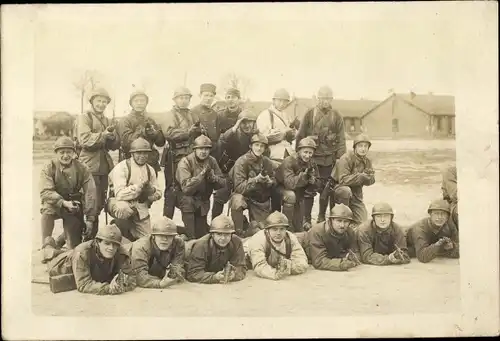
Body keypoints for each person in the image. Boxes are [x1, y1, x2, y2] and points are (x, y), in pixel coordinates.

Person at [39, 136, 97, 263]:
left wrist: (90, 219)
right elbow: (45, 192)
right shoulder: (48, 167)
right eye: (62, 152)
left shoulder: (82, 168)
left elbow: (90, 193)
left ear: (74, 153)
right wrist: (63, 202)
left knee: (73, 251)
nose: (65, 155)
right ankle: (46, 245)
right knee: (46, 211)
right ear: (56, 153)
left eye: (69, 152)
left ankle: (59, 242)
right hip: (55, 203)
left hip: (73, 205)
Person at [296, 86, 347, 224]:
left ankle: (321, 217)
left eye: (328, 98)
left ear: (331, 99)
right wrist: (299, 157)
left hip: (330, 159)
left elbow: (342, 139)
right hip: (311, 158)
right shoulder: (310, 114)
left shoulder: (336, 116)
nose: (325, 101)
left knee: (328, 189)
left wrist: (340, 160)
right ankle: (306, 219)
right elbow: (300, 135)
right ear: (318, 98)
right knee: (309, 188)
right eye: (323, 98)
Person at [77, 87, 120, 239]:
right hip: (88, 165)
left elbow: (113, 146)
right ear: (92, 102)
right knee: (90, 205)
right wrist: (103, 135)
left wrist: (114, 135)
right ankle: (85, 240)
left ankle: (91, 238)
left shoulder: (107, 120)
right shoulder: (85, 117)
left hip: (103, 167)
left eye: (104, 101)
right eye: (98, 101)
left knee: (100, 203)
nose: (101, 104)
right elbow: (85, 140)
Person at [47, 224, 136, 295]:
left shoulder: (121, 252)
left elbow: (132, 277)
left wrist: (123, 284)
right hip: (61, 266)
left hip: (82, 260)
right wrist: (108, 288)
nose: (111, 248)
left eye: (115, 244)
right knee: (51, 254)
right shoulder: (82, 252)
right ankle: (48, 245)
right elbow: (83, 285)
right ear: (98, 242)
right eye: (107, 243)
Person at [160, 86, 205, 218]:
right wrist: (187, 132)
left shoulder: (192, 115)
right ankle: (166, 222)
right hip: (175, 156)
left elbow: (200, 131)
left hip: (191, 156)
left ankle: (193, 225)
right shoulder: (170, 115)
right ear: (175, 99)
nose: (184, 101)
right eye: (181, 98)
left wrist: (200, 131)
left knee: (191, 188)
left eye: (186, 98)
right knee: (172, 190)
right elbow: (169, 133)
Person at [107, 137, 162, 241]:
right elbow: (120, 194)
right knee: (124, 211)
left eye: (145, 153)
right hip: (120, 203)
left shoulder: (150, 170)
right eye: (138, 153)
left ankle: (132, 233)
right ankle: (119, 229)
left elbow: (159, 192)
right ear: (132, 154)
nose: (142, 156)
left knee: (147, 239)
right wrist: (138, 188)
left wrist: (151, 192)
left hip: (140, 205)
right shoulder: (122, 167)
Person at [176, 135, 227, 240]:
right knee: (192, 236)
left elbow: (222, 183)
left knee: (202, 234)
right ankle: (189, 235)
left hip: (203, 201)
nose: (203, 152)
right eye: (200, 148)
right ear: (194, 149)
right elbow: (186, 188)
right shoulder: (185, 162)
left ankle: (179, 230)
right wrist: (201, 176)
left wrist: (214, 178)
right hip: (186, 199)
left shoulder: (212, 161)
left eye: (206, 149)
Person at [256, 88, 297, 213]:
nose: (282, 104)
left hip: (287, 154)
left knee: (287, 185)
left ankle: (286, 217)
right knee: (273, 185)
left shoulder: (286, 115)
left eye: (285, 101)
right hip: (273, 154)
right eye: (279, 101)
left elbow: (289, 138)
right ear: (273, 100)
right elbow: (262, 137)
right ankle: (274, 214)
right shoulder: (265, 114)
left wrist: (292, 134)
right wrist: (283, 133)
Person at [212, 108, 259, 218]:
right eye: (243, 122)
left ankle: (249, 223)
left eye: (250, 122)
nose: (247, 125)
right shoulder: (232, 134)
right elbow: (221, 142)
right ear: (238, 123)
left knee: (251, 196)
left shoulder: (256, 136)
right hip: (228, 171)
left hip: (246, 173)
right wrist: (233, 129)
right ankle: (215, 222)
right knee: (220, 194)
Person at [230, 133, 276, 237]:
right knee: (237, 200)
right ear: (251, 146)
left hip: (259, 199)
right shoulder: (241, 162)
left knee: (262, 232)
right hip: (245, 195)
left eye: (262, 146)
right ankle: (238, 232)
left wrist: (269, 182)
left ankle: (248, 225)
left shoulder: (267, 162)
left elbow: (274, 180)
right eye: (257, 145)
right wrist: (255, 179)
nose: (259, 148)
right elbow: (239, 188)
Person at [244, 212, 308, 280]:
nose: (278, 233)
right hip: (246, 254)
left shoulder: (290, 238)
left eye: (282, 229)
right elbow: (259, 266)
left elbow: (302, 261)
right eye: (274, 229)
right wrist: (275, 273)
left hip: (271, 261)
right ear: (267, 230)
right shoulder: (258, 240)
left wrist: (287, 266)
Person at [297, 204, 361, 272]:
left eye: (346, 221)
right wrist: (341, 263)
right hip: (296, 245)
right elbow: (319, 262)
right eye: (339, 221)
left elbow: (355, 252)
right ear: (331, 220)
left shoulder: (350, 232)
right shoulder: (318, 232)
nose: (342, 225)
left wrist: (352, 258)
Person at [116, 90, 166, 175]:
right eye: (136, 101)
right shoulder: (125, 121)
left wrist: (155, 134)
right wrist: (142, 131)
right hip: (131, 161)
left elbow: (161, 143)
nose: (139, 103)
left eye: (142, 101)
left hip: (150, 162)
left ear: (146, 103)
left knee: (151, 187)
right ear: (131, 103)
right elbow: (126, 142)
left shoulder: (150, 120)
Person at [186, 215, 247, 284]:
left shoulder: (236, 242)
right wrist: (214, 277)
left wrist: (234, 275)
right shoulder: (201, 245)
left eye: (227, 234)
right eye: (219, 234)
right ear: (212, 235)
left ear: (231, 234)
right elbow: (193, 274)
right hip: (188, 256)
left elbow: (241, 267)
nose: (223, 238)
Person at [275, 137, 319, 232]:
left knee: (299, 228)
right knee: (291, 196)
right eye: (305, 152)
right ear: (299, 151)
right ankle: (286, 225)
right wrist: (304, 177)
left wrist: (313, 181)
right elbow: (289, 183)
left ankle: (295, 223)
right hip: (279, 188)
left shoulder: (311, 162)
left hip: (298, 191)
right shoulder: (289, 161)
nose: (307, 156)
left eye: (310, 153)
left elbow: (317, 183)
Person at [129, 216, 186, 289]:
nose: (165, 239)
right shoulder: (141, 247)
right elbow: (139, 276)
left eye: (169, 236)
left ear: (174, 237)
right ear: (153, 236)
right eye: (161, 235)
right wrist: (159, 284)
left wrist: (174, 274)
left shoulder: (178, 242)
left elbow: (177, 265)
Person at [331, 133, 375, 226]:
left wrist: (369, 177)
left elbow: (371, 181)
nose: (363, 149)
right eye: (360, 146)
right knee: (345, 191)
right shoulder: (346, 158)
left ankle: (351, 220)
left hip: (356, 194)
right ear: (355, 147)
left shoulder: (367, 161)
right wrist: (361, 176)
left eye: (365, 146)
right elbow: (343, 180)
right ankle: (342, 217)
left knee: (363, 223)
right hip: (339, 190)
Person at [190, 83, 220, 157]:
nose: (208, 98)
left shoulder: (214, 114)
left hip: (213, 151)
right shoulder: (193, 112)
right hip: (199, 151)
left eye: (211, 96)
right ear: (200, 96)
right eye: (206, 95)